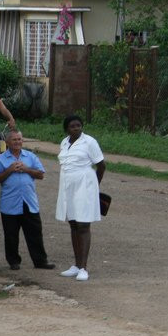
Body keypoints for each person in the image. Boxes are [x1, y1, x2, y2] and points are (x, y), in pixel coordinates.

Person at [0, 130, 55, 271]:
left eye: (19, 139)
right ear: (7, 142)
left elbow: (40, 174)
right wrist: (9, 170)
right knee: (11, 235)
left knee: (35, 233)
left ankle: (40, 261)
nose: (17, 142)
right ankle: (13, 261)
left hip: (29, 202)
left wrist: (26, 169)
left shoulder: (30, 156)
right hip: (10, 203)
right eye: (14, 140)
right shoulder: (1, 159)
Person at [55, 115, 106, 282]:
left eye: (78, 125)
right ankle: (76, 265)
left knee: (83, 224)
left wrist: (94, 186)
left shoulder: (89, 142)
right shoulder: (64, 142)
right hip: (67, 186)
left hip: (85, 186)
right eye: (72, 126)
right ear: (67, 129)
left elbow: (101, 165)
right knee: (73, 224)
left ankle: (84, 267)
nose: (76, 128)